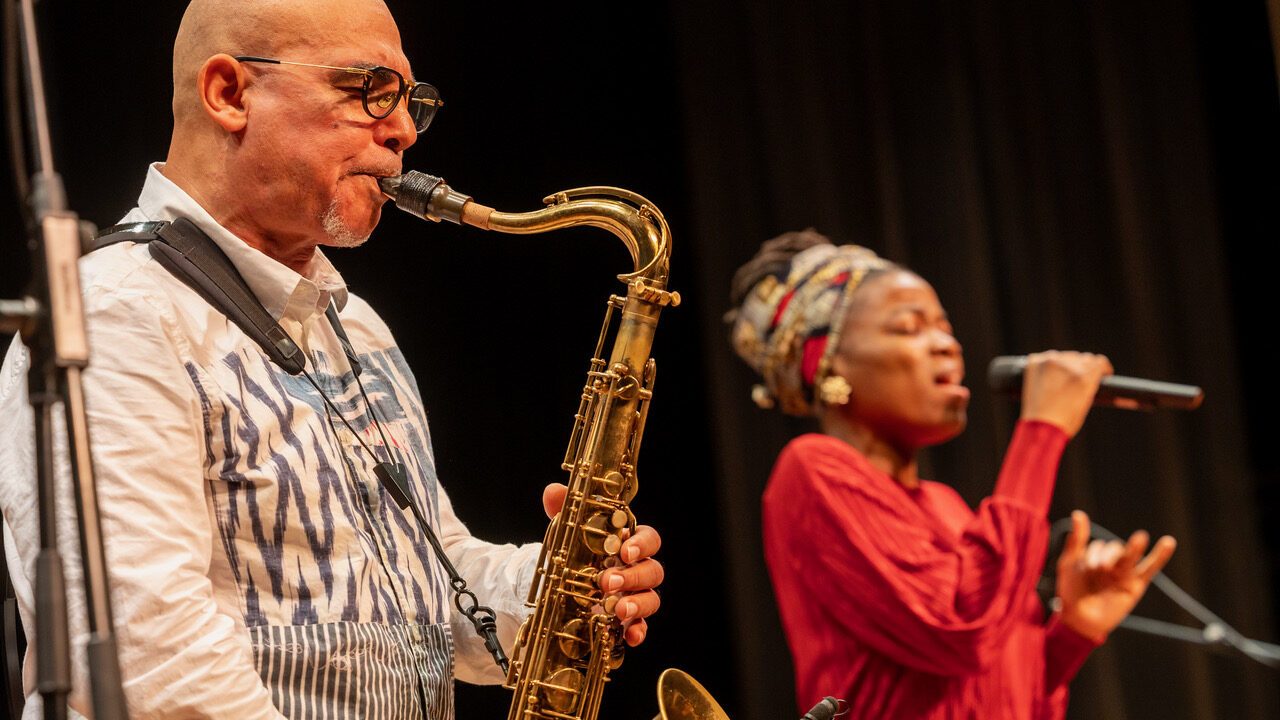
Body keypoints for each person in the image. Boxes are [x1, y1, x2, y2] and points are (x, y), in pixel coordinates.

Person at [0, 0, 663, 717]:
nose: (405, 130)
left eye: (411, 101)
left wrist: (552, 591)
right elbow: (155, 663)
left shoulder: (357, 325)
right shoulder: (116, 316)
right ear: (229, 93)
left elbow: (423, 596)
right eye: (370, 90)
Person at [727, 230, 1176, 719]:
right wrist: (1042, 431)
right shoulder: (812, 470)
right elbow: (962, 627)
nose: (948, 345)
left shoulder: (944, 505)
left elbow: (990, 692)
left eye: (945, 326)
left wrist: (1072, 635)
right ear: (827, 360)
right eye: (908, 327)